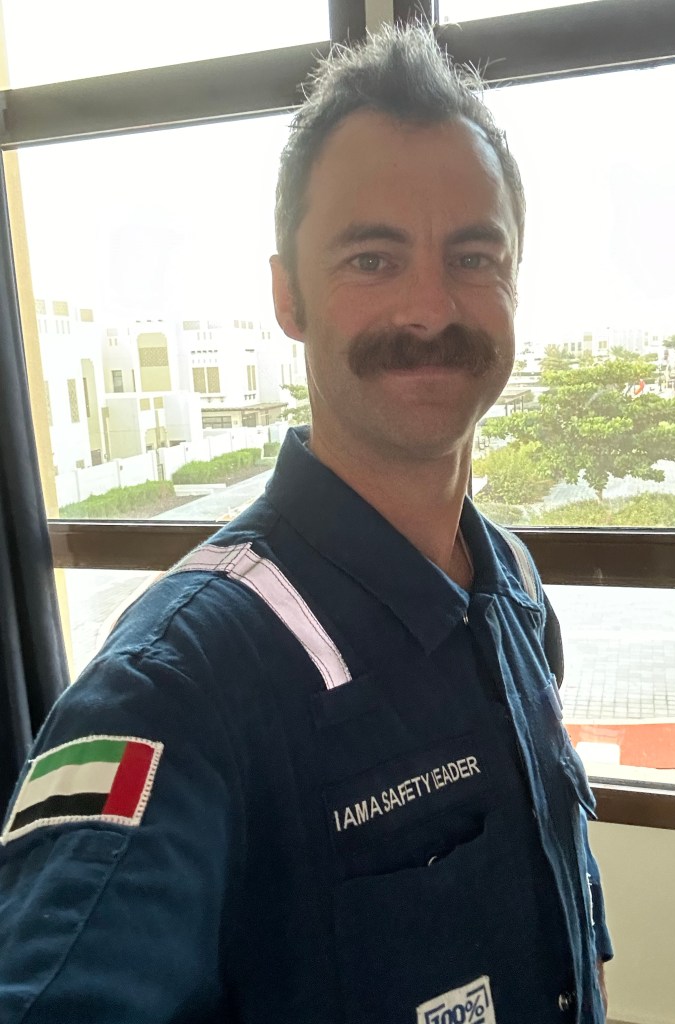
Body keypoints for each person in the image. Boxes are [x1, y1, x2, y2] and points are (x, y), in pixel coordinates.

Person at [0, 25, 612, 1023]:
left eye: (473, 254)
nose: (430, 306)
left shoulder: (513, 590)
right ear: (288, 295)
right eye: (372, 258)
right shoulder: (177, 687)